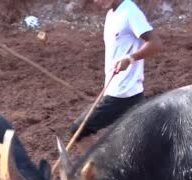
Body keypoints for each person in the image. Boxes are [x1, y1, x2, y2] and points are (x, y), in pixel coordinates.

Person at [70, 0, 163, 139]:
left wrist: (130, 58)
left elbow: (155, 43)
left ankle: (96, 162)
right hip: (120, 91)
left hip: (122, 94)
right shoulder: (112, 14)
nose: (96, 1)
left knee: (78, 131)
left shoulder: (130, 12)